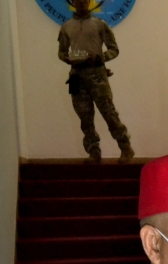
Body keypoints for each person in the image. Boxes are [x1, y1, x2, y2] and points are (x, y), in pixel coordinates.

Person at [58, 0, 133, 163]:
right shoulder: (66, 27)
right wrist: (69, 59)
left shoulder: (100, 24)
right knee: (84, 117)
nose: (83, 2)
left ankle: (125, 148)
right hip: (76, 76)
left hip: (98, 74)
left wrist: (99, 58)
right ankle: (94, 152)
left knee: (109, 113)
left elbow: (114, 49)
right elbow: (61, 52)